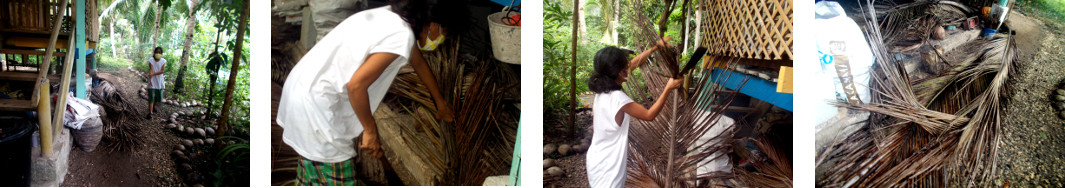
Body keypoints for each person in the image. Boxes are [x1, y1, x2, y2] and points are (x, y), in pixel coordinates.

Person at [276, 0, 463, 185]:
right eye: (445, 33)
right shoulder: (402, 36)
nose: (441, 39)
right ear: (433, 25)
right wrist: (370, 130)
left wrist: (440, 103)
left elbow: (419, 63)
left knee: (312, 174)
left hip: (301, 88)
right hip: (317, 105)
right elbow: (356, 86)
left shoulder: (392, 19)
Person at [585, 37, 681, 188]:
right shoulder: (618, 98)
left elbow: (632, 66)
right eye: (624, 68)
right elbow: (649, 115)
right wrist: (668, 88)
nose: (628, 69)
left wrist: (655, 47)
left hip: (597, 158)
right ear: (618, 72)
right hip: (609, 166)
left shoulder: (602, 89)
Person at [146, 47, 166, 119]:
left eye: (160, 52)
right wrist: (151, 80)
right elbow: (151, 70)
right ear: (154, 53)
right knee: (151, 97)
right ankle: (150, 113)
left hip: (159, 81)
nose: (158, 54)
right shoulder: (151, 60)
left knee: (158, 98)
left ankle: (153, 106)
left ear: (161, 54)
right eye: (157, 52)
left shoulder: (163, 61)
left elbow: (162, 71)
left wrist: (153, 74)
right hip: (152, 81)